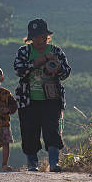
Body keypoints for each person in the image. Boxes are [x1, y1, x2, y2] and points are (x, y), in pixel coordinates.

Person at [14, 19, 71, 172]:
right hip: (28, 100)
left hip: (51, 99)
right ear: (30, 39)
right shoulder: (24, 52)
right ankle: (32, 163)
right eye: (35, 37)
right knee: (29, 131)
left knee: (51, 129)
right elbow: (18, 70)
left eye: (42, 37)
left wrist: (56, 68)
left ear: (47, 37)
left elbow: (66, 73)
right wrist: (36, 62)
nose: (39, 40)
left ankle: (54, 162)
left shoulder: (56, 52)